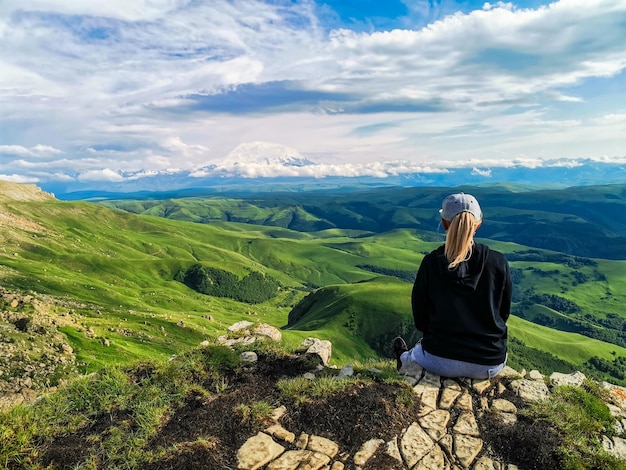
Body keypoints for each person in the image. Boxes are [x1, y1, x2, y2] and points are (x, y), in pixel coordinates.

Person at [393, 192, 512, 379]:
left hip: (438, 359)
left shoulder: (431, 263)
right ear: (478, 224)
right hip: (489, 363)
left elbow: (421, 320)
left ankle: (404, 358)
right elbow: (503, 313)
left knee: (414, 352)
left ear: (444, 222)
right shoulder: (498, 261)